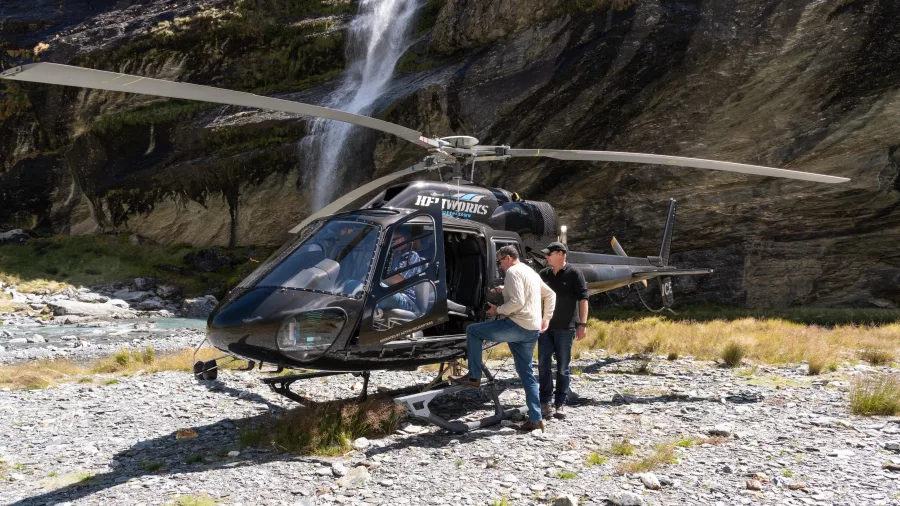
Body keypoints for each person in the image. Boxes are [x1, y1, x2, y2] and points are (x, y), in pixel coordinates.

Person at [450, 245, 556, 432]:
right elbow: (550, 294)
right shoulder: (529, 271)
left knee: (473, 331)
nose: (499, 265)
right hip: (531, 329)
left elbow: (517, 302)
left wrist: (496, 310)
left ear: (507, 258)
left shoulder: (513, 272)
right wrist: (545, 318)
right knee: (527, 374)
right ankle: (535, 418)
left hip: (517, 326)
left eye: (499, 261)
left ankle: (474, 376)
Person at [538, 241, 588, 419]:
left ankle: (560, 403)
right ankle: (545, 402)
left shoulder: (575, 274)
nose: (546, 257)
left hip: (566, 329)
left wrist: (582, 324)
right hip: (545, 328)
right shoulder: (543, 274)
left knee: (562, 367)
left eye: (549, 254)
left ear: (560, 253)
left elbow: (583, 299)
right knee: (543, 366)